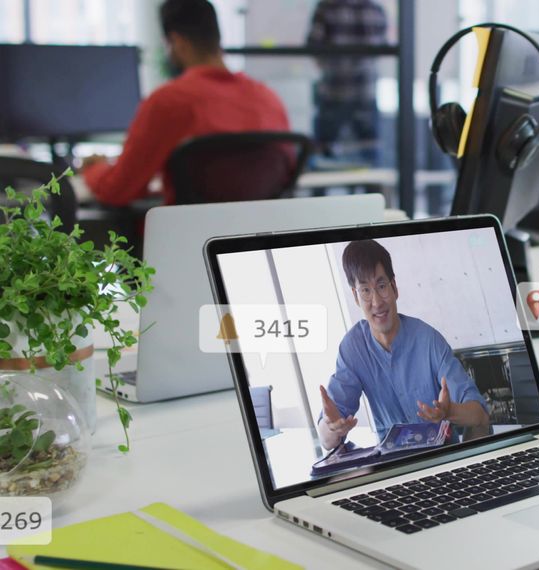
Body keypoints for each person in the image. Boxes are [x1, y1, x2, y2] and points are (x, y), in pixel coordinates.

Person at [81, 0, 289, 206]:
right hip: (257, 235)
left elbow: (117, 190)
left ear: (176, 41)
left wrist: (94, 167)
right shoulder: (267, 97)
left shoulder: (169, 101)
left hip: (183, 236)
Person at [318, 240, 490, 450]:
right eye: (365, 291)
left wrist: (448, 412)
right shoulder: (353, 348)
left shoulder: (429, 341)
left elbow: (480, 415)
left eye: (381, 286)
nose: (376, 302)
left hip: (442, 461)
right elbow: (326, 441)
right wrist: (331, 427)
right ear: (355, 296)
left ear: (394, 287)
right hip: (393, 469)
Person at [306, 0, 388, 164]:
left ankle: (321, 189)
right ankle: (371, 187)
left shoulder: (327, 8)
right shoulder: (375, 9)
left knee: (323, 154)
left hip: (334, 89)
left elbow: (313, 46)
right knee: (369, 155)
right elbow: (383, 47)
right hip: (365, 91)